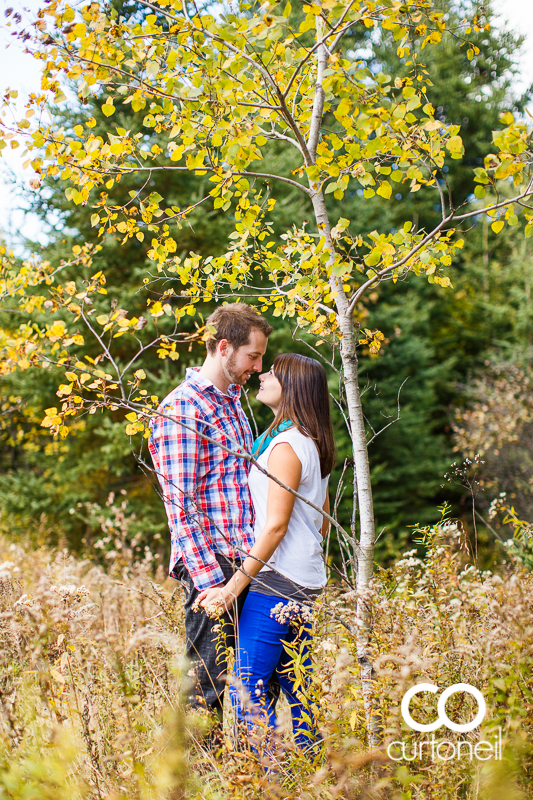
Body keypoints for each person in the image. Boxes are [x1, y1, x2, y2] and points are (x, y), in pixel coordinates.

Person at [198, 353, 335, 754]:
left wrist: (232, 587)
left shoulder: (286, 446)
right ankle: (312, 771)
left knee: (247, 688)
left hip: (276, 583)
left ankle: (269, 780)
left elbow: (275, 525)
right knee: (299, 687)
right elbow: (322, 522)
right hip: (305, 581)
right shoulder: (310, 441)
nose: (263, 375)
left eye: (273, 373)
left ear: (291, 387)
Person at [148, 302, 273, 724]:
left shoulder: (233, 401)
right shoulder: (182, 410)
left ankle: (243, 778)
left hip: (244, 560)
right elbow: (180, 506)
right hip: (212, 566)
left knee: (251, 683)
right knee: (207, 687)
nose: (257, 367)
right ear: (224, 348)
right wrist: (213, 587)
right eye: (253, 356)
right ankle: (193, 782)